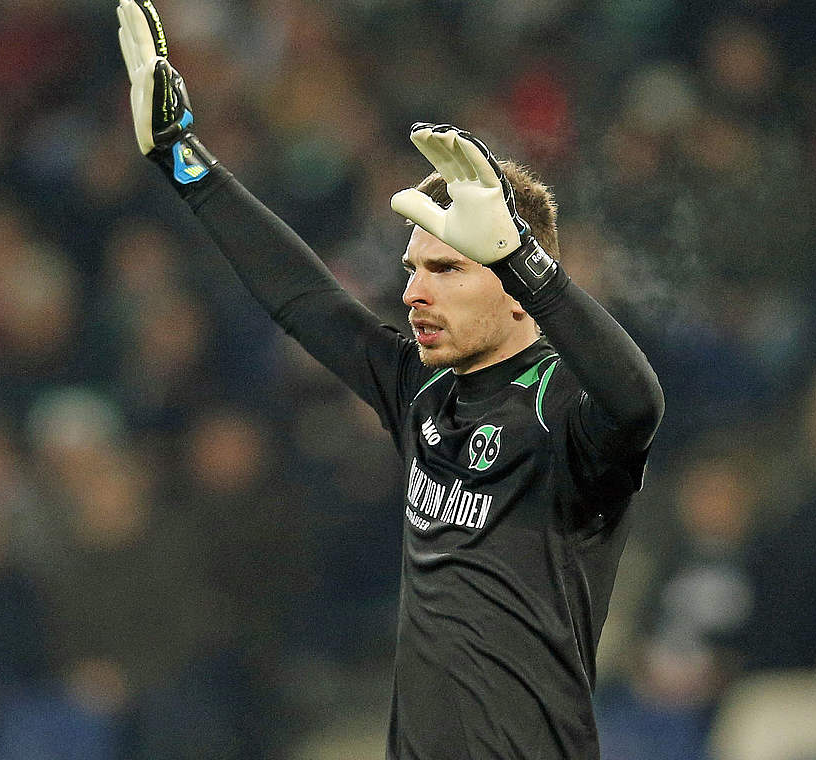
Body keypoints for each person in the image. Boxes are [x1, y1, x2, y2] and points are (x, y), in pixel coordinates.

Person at [114, 2, 665, 757]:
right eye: (412, 270)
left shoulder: (567, 408)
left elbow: (639, 402)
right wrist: (183, 159)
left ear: (513, 281)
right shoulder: (422, 391)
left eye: (445, 268)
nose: (412, 293)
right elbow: (304, 298)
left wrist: (528, 265)